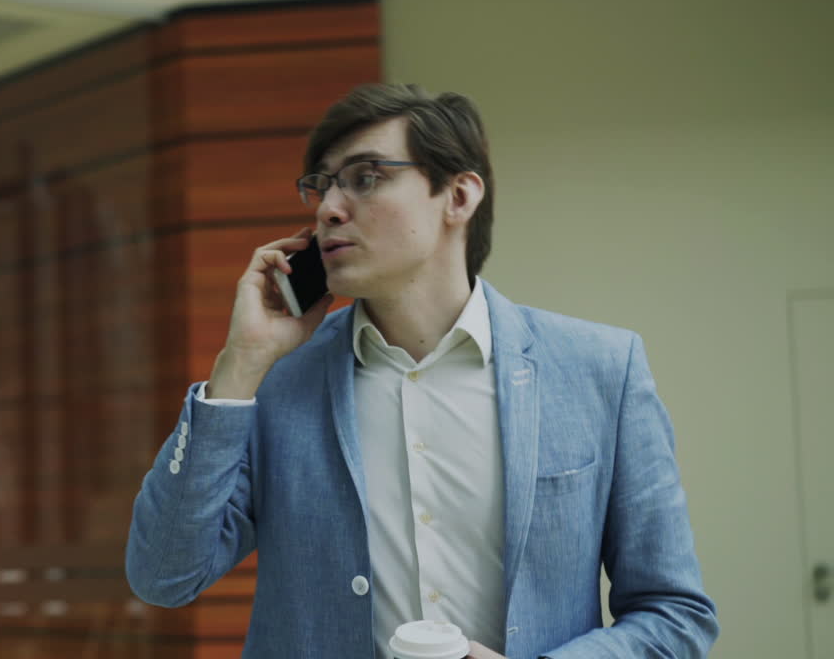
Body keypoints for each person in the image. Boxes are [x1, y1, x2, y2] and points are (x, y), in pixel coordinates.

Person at [125, 83, 718, 658]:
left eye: (366, 178)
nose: (329, 209)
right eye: (322, 187)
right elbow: (163, 576)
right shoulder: (274, 381)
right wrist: (240, 364)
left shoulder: (600, 371)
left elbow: (674, 615)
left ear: (458, 197)